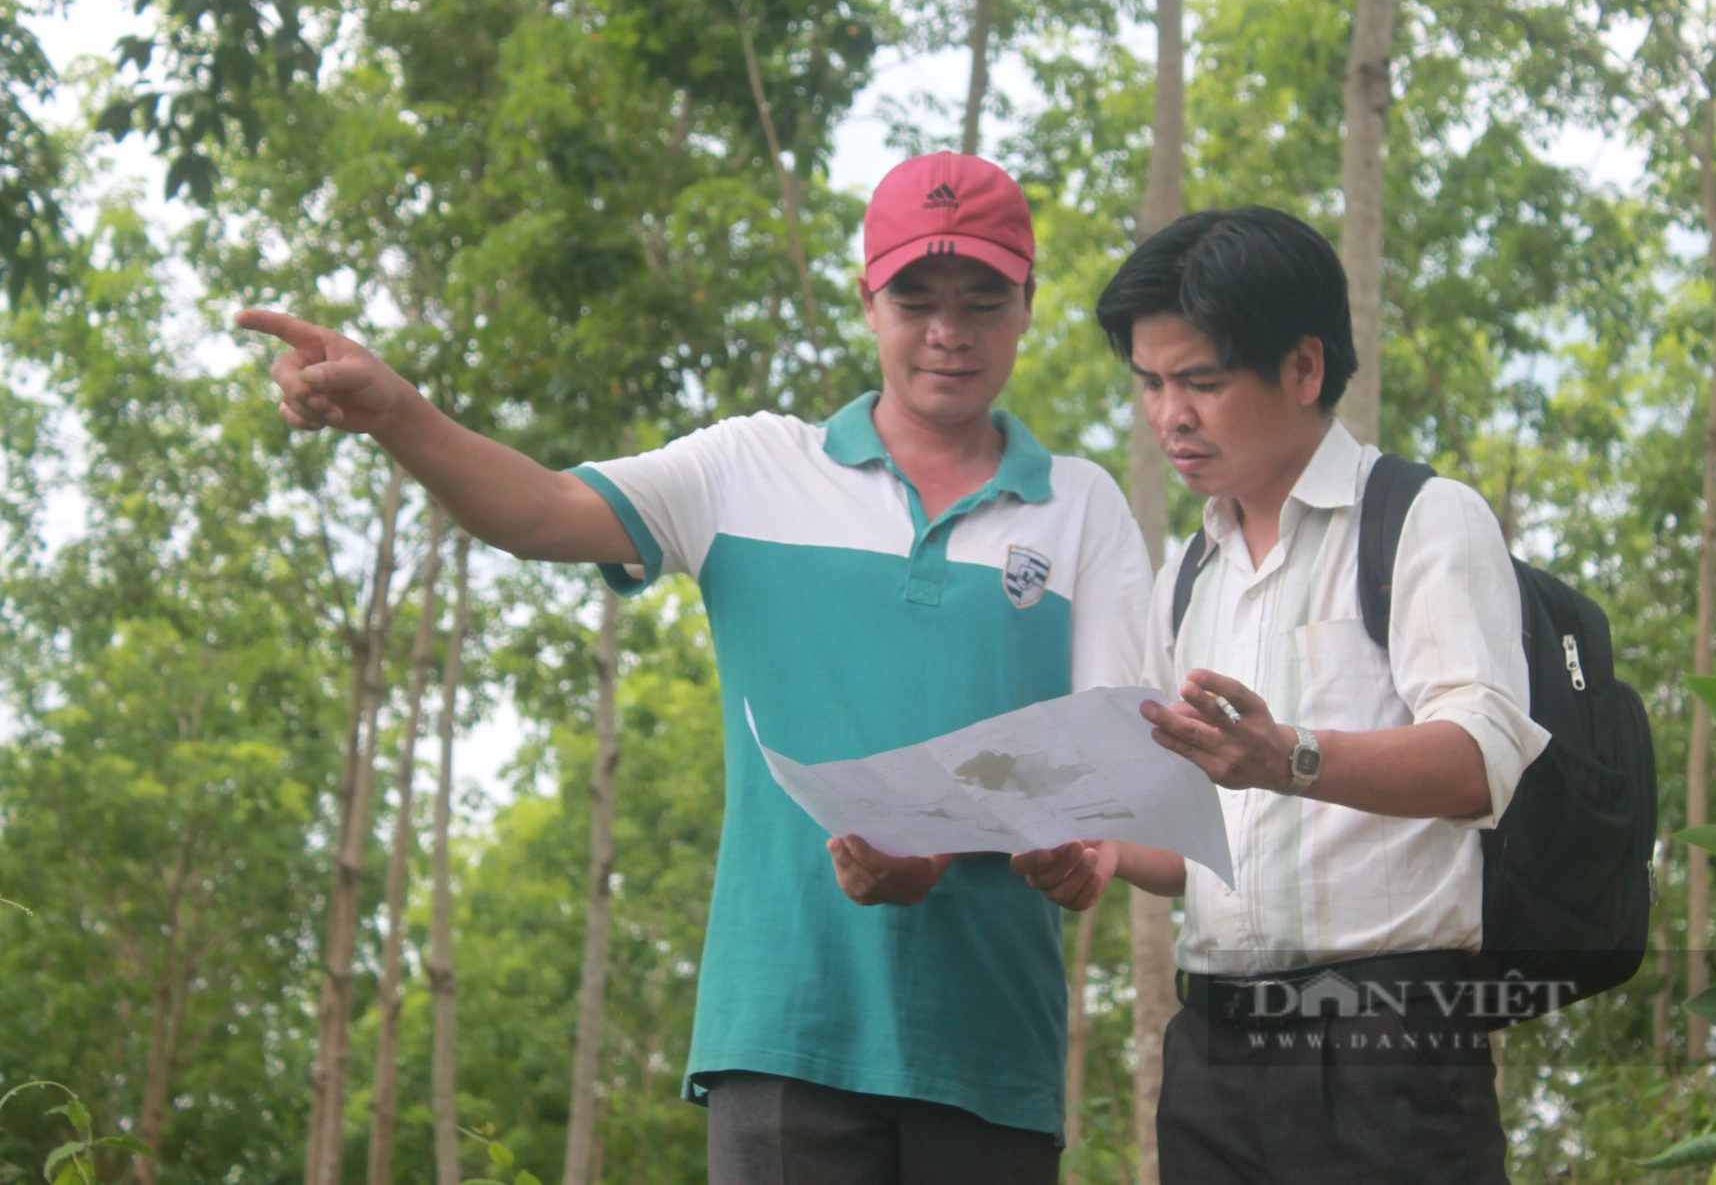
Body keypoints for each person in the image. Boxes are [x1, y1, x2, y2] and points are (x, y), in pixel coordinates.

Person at [237, 152, 1154, 1184]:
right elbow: (540, 513)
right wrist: (397, 411)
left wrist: (1083, 855)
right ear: (867, 303)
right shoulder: (750, 467)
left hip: (989, 1041)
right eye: (916, 298)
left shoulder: (1082, 507)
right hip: (782, 1028)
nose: (949, 330)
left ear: (1028, 306)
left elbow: (1109, 771)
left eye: (983, 300)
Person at [1017, 206, 1547, 1182]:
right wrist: (1103, 849)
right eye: (1149, 382)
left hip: (1389, 1049)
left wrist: (1289, 756)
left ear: (1302, 368)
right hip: (1210, 1053)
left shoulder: (1420, 522)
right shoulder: (1191, 573)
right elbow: (1196, 855)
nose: (1168, 414)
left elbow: (1481, 760)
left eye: (1202, 382)